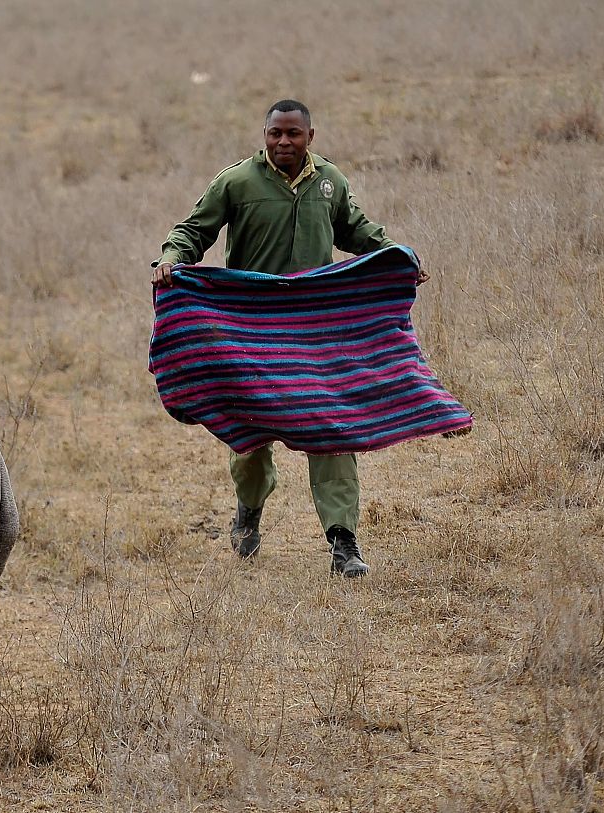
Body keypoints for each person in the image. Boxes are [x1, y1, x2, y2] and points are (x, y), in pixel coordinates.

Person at [151, 99, 426, 578]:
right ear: (264, 134)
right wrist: (172, 258)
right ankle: (248, 512)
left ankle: (344, 543)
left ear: (310, 137)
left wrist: (395, 256)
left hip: (315, 330)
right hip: (248, 331)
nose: (284, 142)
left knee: (330, 428)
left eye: (293, 134)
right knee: (251, 436)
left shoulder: (330, 182)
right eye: (275, 133)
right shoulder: (236, 181)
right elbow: (194, 231)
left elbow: (356, 231)